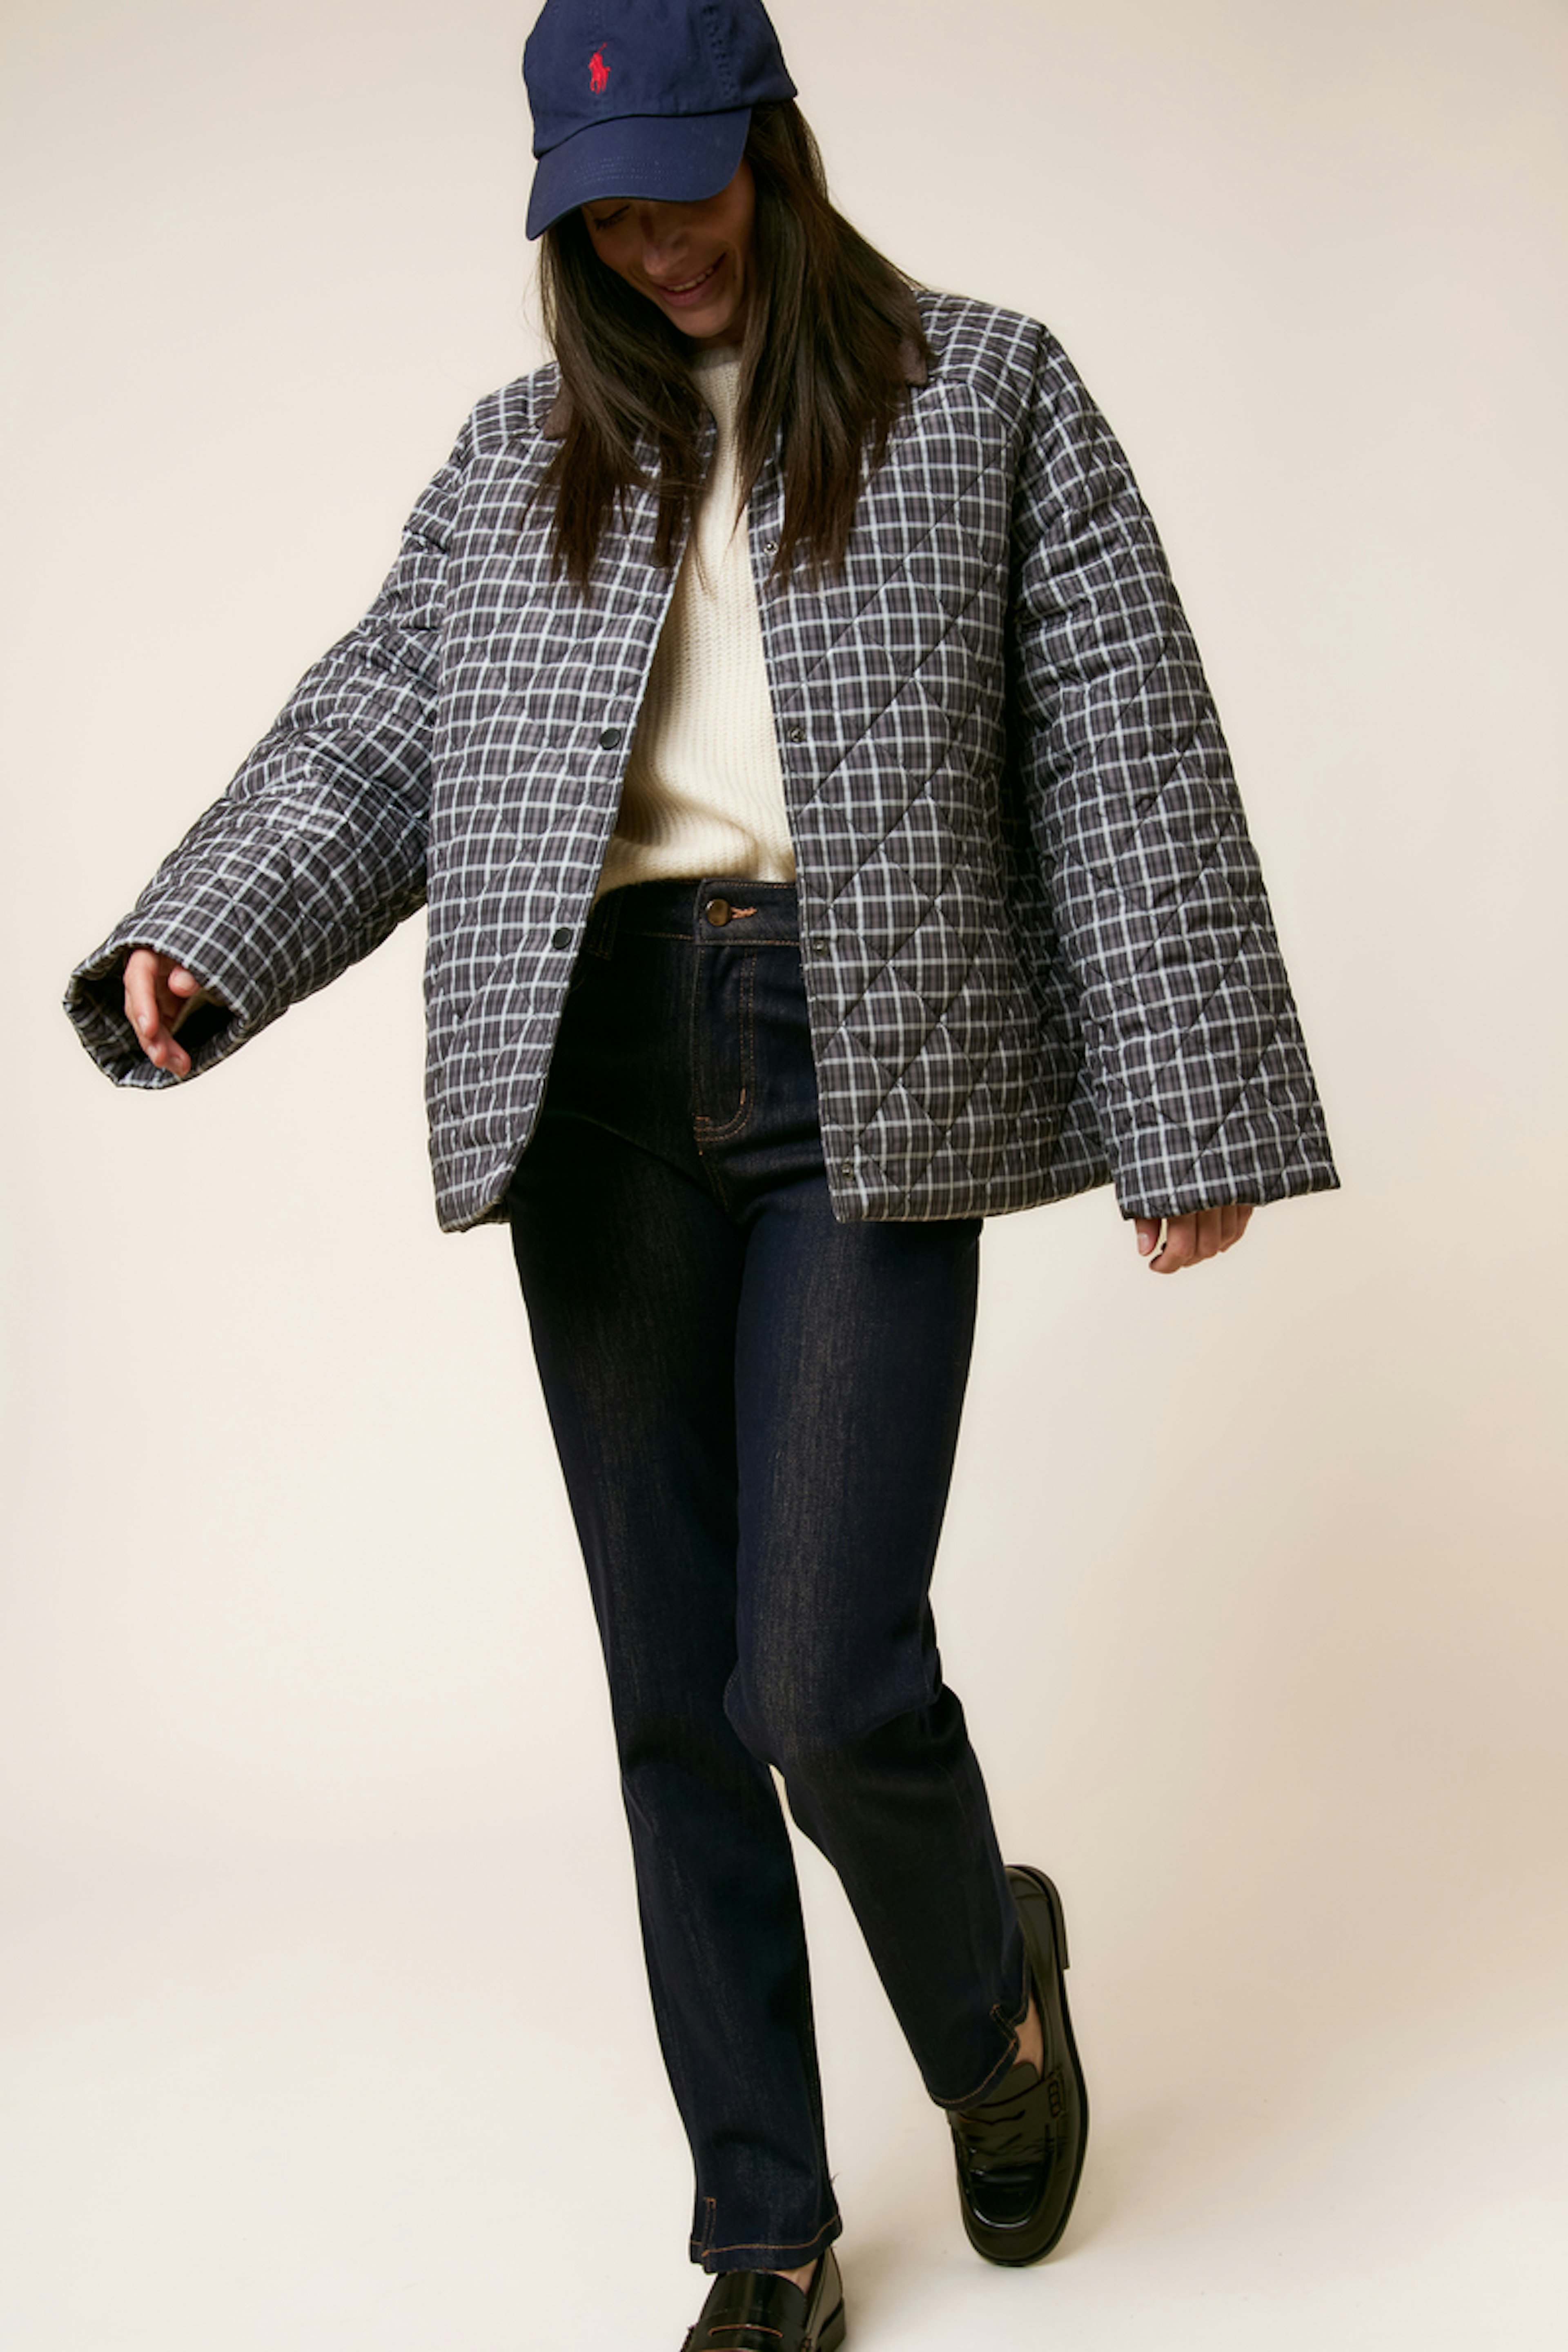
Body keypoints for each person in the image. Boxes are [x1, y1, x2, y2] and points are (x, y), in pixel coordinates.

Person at [64, 2, 1337, 2344]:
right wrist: (200, 931)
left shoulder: (989, 391)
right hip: (597, 1085)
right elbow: (380, 731)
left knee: (817, 1675)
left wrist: (1189, 1108)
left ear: (774, 139)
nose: (660, 242)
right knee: (673, 1691)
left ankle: (994, 2019)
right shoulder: (518, 455)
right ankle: (765, 2223)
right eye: (607, 213)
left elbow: (1124, 748)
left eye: (689, 183)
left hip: (875, 1058)